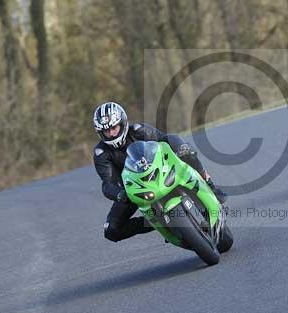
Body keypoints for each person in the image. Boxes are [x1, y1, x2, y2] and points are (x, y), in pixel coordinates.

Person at [93, 102, 226, 242]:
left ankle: (210, 185)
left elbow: (165, 139)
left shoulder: (139, 130)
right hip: (134, 190)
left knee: (185, 152)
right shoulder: (101, 153)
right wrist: (119, 195)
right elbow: (107, 184)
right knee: (111, 230)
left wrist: (182, 148)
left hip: (161, 170)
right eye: (106, 131)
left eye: (114, 128)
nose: (111, 133)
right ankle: (155, 222)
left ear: (123, 122)